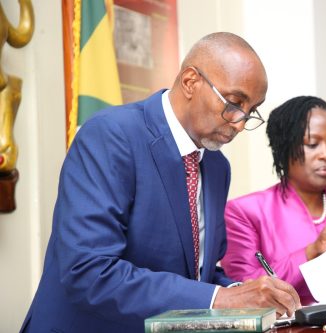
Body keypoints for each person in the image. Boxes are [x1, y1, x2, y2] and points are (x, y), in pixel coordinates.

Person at [20, 32, 300, 333]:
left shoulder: (217, 166)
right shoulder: (110, 136)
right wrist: (220, 298)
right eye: (233, 103)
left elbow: (196, 277)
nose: (240, 123)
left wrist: (246, 293)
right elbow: (89, 271)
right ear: (191, 81)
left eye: (251, 110)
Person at [221, 96, 326, 305]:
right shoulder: (245, 212)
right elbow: (243, 288)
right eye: (312, 144)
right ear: (284, 148)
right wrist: (310, 252)